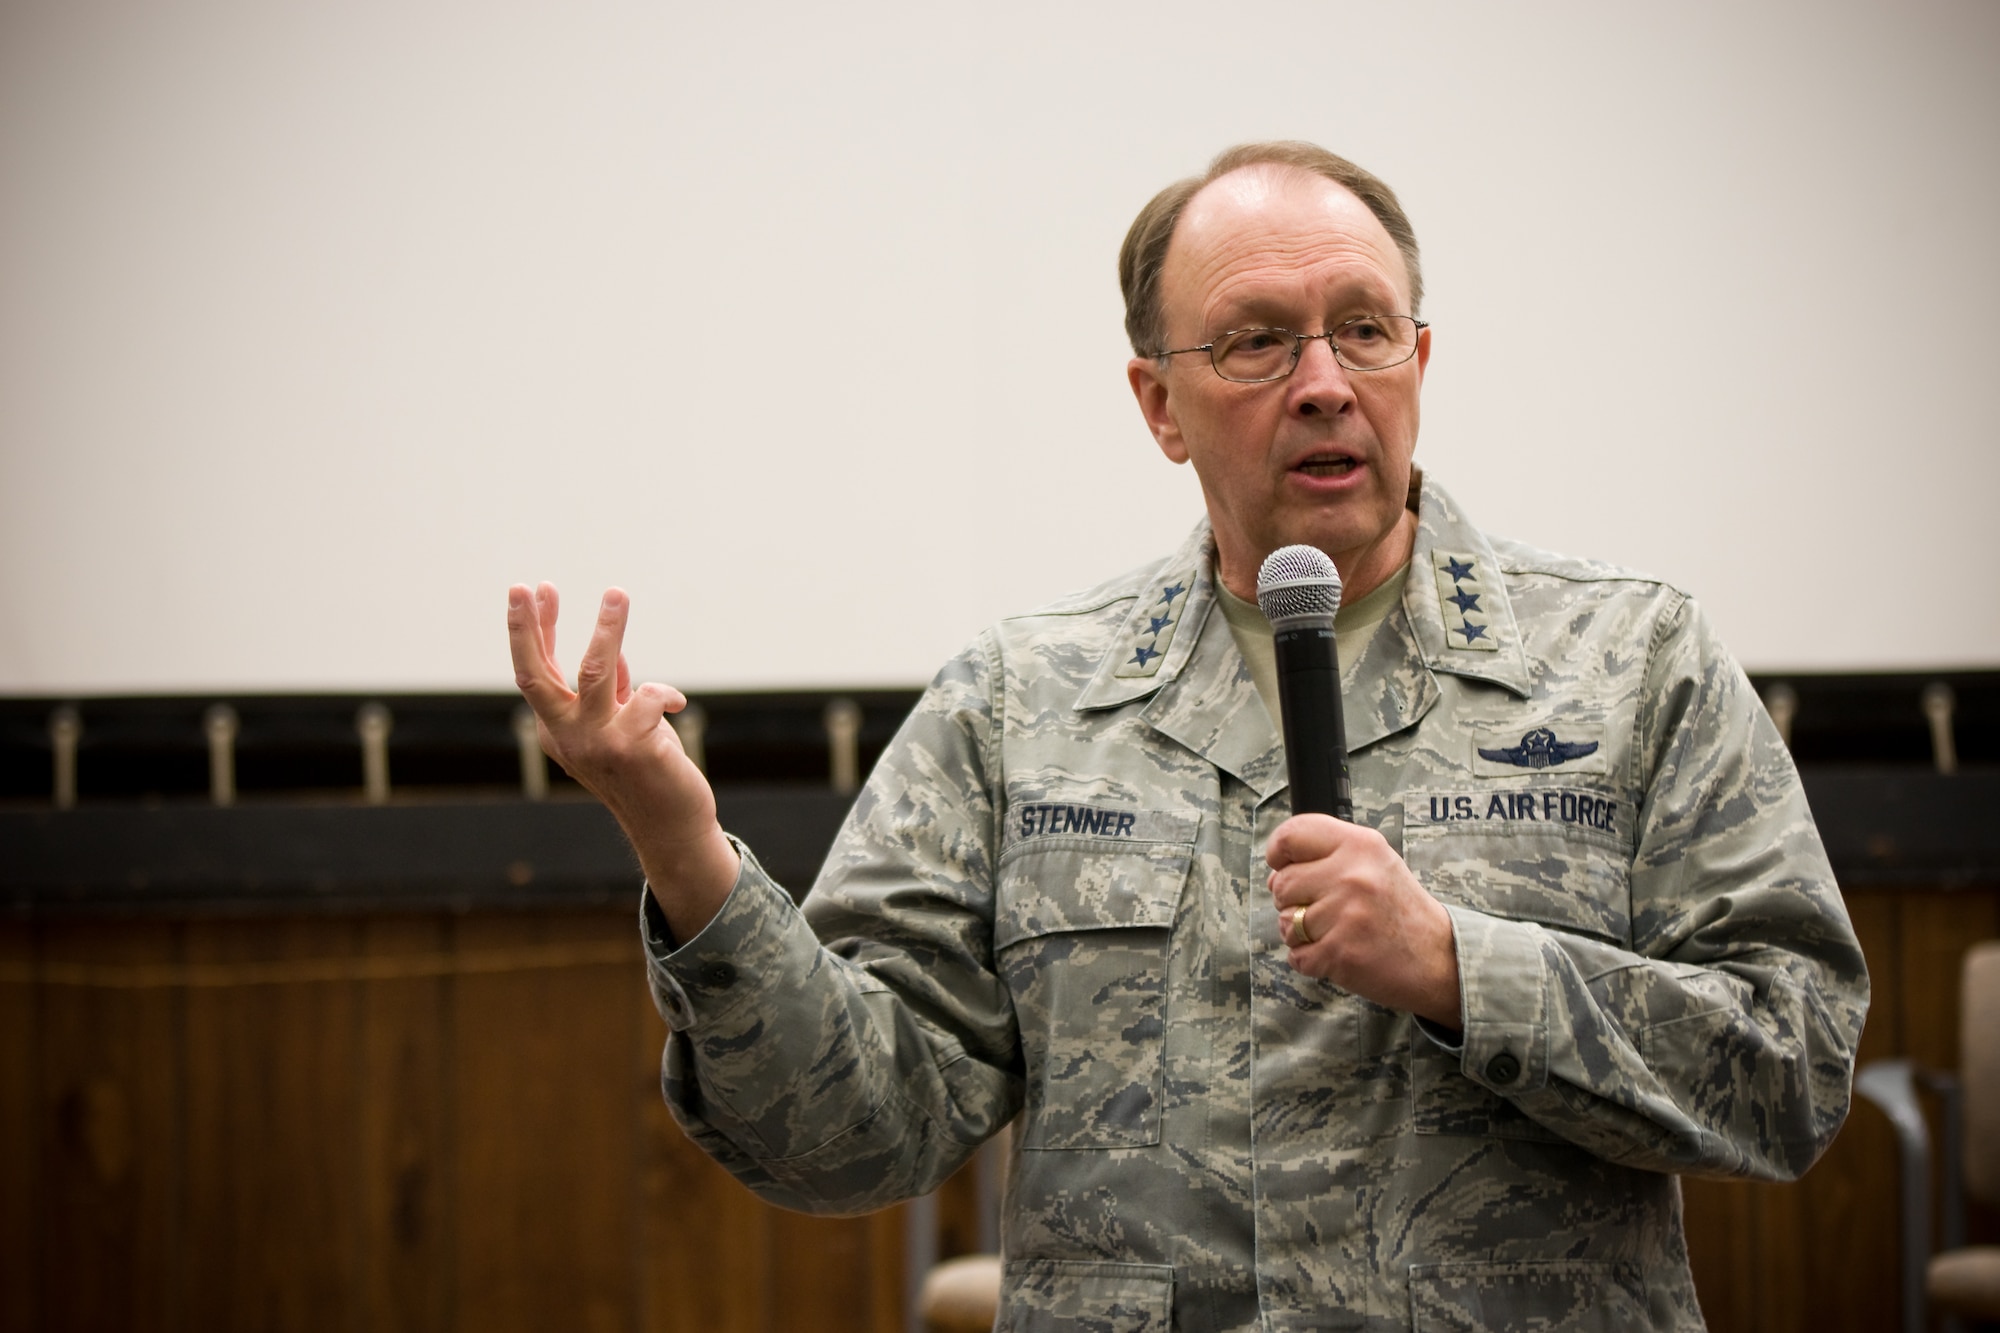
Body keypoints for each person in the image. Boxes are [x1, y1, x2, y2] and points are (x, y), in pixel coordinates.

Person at [507, 141, 1868, 1332]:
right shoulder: (1023, 701)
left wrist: (1464, 969)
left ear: (1423, 361)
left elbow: (1793, 1065)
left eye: (1366, 331)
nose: (1326, 383)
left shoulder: (1629, 664)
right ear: (1160, 402)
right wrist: (682, 848)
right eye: (1258, 340)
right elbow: (850, 1134)